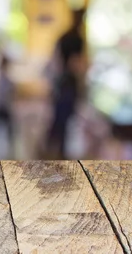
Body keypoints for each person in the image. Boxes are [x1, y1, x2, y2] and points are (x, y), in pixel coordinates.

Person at [45, 9, 86, 158]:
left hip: (60, 83)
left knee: (59, 119)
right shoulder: (76, 38)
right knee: (62, 119)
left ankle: (52, 150)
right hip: (67, 84)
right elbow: (75, 64)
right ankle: (58, 153)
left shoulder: (64, 36)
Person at [0, 54, 15, 149]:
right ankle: (7, 143)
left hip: (1, 106)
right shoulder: (4, 78)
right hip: (2, 106)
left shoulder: (1, 78)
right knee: (3, 126)